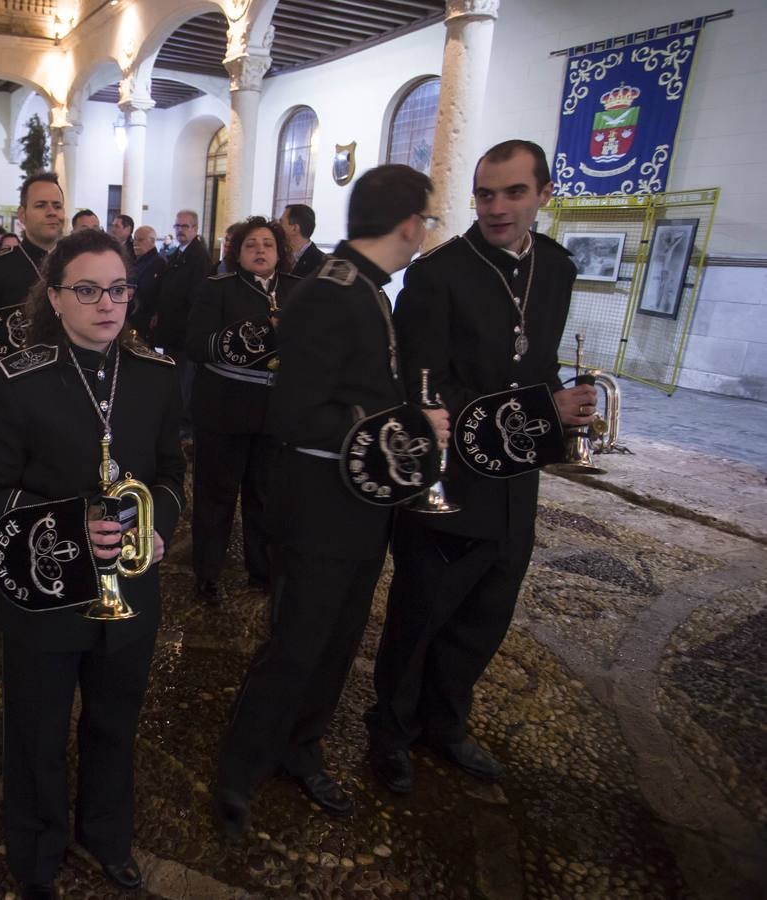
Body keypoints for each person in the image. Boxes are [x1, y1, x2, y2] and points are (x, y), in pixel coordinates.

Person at [215, 166, 448, 837]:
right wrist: (403, 426)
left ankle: (301, 746)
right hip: (318, 508)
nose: (424, 232)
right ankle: (239, 773)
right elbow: (294, 413)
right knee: (296, 644)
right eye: (425, 221)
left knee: (340, 640)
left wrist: (402, 418)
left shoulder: (367, 288)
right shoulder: (330, 291)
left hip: (358, 503)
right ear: (408, 224)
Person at [366, 140, 599, 795]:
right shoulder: (437, 275)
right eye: (484, 193)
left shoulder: (556, 267)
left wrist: (565, 409)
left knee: (483, 616)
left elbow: (539, 363)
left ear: (543, 194)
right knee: (419, 619)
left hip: (513, 482)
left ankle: (446, 722)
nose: (496, 207)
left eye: (513, 192)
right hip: (446, 480)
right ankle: (390, 731)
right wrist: (537, 408)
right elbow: (422, 390)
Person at [0, 228, 185, 900]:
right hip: (48, 590)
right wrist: (64, 527)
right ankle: (35, 849)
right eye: (86, 290)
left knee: (115, 721)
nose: (105, 305)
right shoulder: (18, 381)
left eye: (117, 289)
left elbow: (171, 473)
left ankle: (106, 834)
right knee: (36, 728)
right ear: (55, 298)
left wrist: (160, 526)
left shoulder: (153, 376)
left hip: (132, 592)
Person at [185, 216, 301, 605]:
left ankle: (261, 572)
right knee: (215, 498)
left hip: (275, 415)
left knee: (265, 498)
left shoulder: (299, 290)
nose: (260, 251)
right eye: (251, 244)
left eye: (268, 244)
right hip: (224, 411)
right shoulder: (216, 288)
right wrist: (261, 330)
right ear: (237, 252)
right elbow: (198, 346)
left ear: (280, 251)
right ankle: (207, 574)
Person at [0, 172, 67, 382]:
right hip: (18, 380)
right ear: (22, 216)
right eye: (41, 205)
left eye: (57, 206)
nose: (51, 212)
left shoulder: (79, 263)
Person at [151, 209, 211, 437]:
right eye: (177, 226)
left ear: (195, 229)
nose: (180, 231)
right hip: (172, 328)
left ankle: (182, 425)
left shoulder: (198, 257)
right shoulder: (178, 254)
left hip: (184, 330)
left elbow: (197, 296)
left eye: (185, 226)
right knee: (174, 375)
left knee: (184, 379)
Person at [128, 225, 165, 336]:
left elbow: (154, 291)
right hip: (134, 315)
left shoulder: (158, 262)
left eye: (140, 240)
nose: (135, 243)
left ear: (152, 241)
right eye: (134, 239)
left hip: (145, 318)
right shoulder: (138, 261)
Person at [280, 203, 327, 278]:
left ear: (294, 228)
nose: (278, 226)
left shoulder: (322, 264)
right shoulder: (278, 256)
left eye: (281, 223)